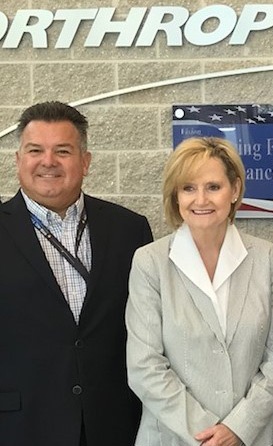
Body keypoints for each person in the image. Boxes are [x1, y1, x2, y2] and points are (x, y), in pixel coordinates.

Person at [0, 101, 153, 445]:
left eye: (63, 151)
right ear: (18, 161)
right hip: (21, 426)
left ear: (85, 162)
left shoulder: (130, 229)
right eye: (35, 150)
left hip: (114, 424)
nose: (48, 161)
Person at [126, 137, 273, 446]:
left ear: (235, 190)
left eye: (213, 187)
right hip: (174, 439)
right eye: (188, 188)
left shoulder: (267, 258)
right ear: (175, 196)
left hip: (248, 438)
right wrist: (208, 435)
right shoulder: (150, 262)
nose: (201, 200)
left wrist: (238, 428)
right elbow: (144, 366)